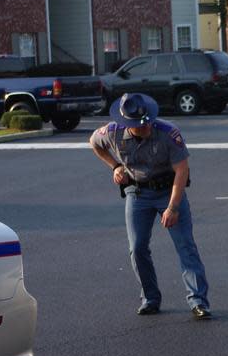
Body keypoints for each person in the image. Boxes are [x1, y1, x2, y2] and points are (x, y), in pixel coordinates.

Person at [90, 93, 212, 320]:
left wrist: (173, 207)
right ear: (127, 124)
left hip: (168, 191)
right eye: (138, 126)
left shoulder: (168, 133)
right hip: (138, 193)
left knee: (185, 246)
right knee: (137, 248)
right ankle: (150, 299)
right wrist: (115, 166)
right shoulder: (112, 132)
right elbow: (94, 142)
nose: (145, 128)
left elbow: (182, 171)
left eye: (146, 123)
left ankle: (198, 302)